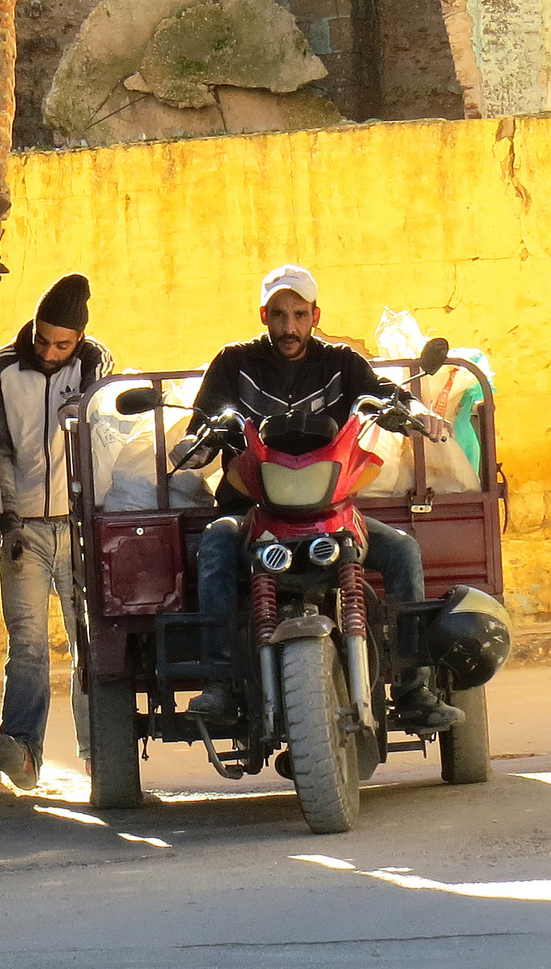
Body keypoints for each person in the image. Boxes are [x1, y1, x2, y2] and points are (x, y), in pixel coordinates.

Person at [172, 264, 464, 731]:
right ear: (264, 314)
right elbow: (203, 422)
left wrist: (416, 412)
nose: (289, 327)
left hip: (331, 509)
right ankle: (220, 680)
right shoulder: (234, 362)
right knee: (215, 546)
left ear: (315, 315)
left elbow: (383, 395)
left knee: (403, 550)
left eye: (300, 315)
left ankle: (414, 686)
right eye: (280, 314)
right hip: (252, 509)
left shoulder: (341, 363)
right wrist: (197, 443)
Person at [0, 274, 115, 789]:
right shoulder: (2, 368)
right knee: (29, 646)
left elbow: (95, 422)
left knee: (89, 640)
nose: (49, 351)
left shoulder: (93, 362)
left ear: (78, 339)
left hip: (82, 526)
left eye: (62, 343)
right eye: (42, 339)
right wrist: (7, 521)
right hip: (26, 531)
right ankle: (23, 750)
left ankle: (101, 754)